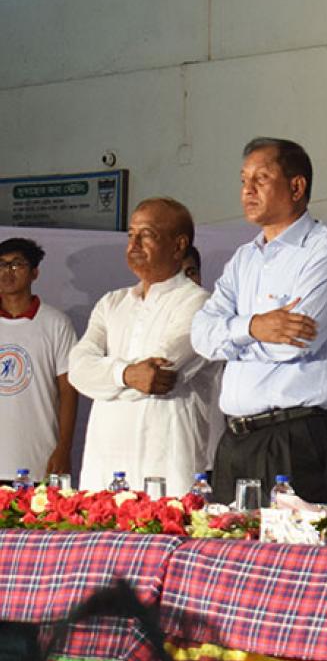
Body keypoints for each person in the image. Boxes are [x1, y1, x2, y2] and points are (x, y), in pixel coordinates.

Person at [191, 137, 327, 504]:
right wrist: (253, 327)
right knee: (226, 538)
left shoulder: (326, 251)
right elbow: (201, 336)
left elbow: (292, 346)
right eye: (243, 180)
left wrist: (232, 341)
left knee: (292, 541)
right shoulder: (244, 258)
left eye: (261, 179)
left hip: (294, 438)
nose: (247, 190)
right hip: (236, 438)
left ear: (296, 187)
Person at [68, 198, 218, 496]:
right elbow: (77, 369)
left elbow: (158, 375)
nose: (133, 244)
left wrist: (104, 379)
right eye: (131, 234)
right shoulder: (112, 302)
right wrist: (125, 374)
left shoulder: (200, 304)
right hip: (104, 464)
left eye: (146, 235)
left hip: (167, 464)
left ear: (178, 245)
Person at [0, 238, 78, 482]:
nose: (7, 272)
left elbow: (68, 391)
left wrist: (64, 448)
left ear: (35, 272)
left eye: (17, 264)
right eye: (1, 264)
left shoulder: (56, 323)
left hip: (38, 462)